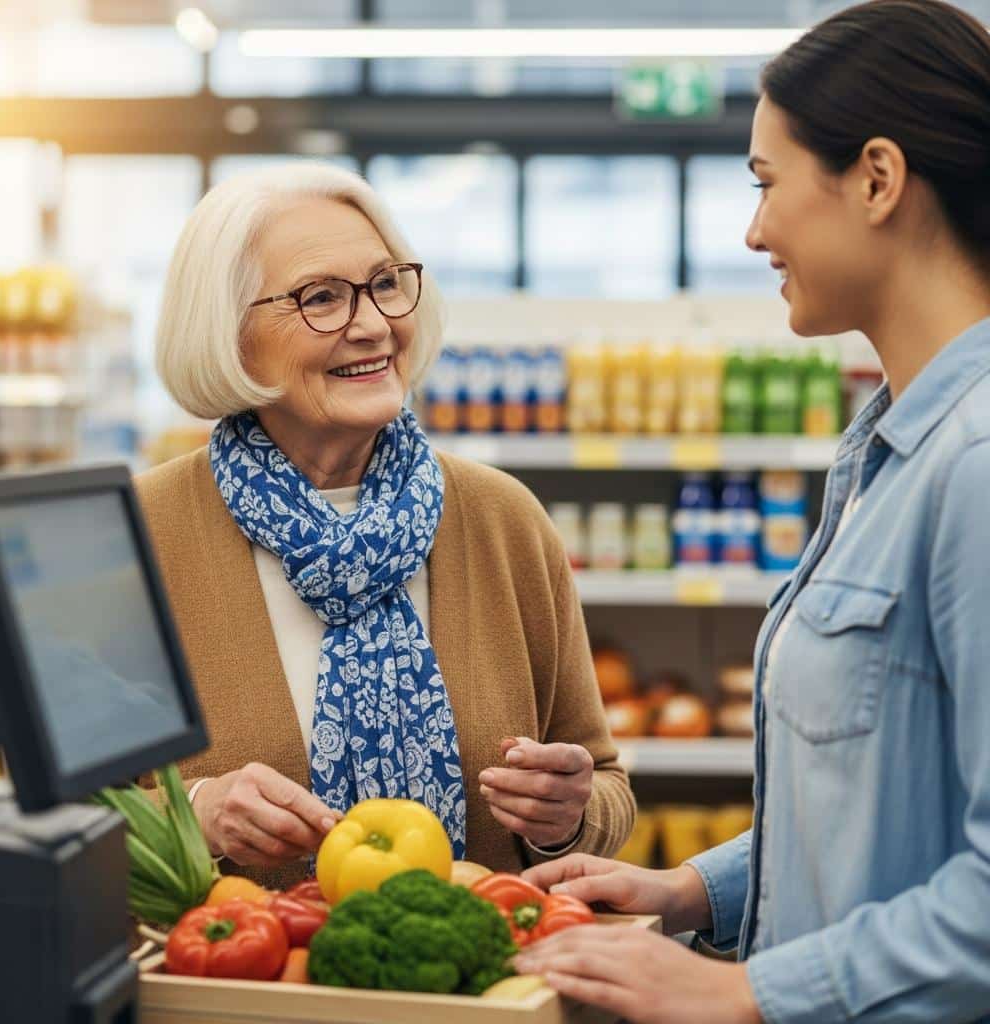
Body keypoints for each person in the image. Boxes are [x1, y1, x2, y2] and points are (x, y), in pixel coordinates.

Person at [513, 2, 990, 1021]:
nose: (754, 229)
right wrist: (693, 890)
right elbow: (876, 807)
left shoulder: (976, 465)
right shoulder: (884, 447)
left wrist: (745, 991)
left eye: (766, 184)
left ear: (876, 178)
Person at [136, 162, 635, 890]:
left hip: (478, 985)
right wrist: (197, 814)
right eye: (322, 298)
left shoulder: (502, 521)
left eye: (386, 284)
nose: (372, 325)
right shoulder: (142, 535)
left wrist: (569, 816)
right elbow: (65, 820)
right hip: (234, 990)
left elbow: (608, 787)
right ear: (229, 331)